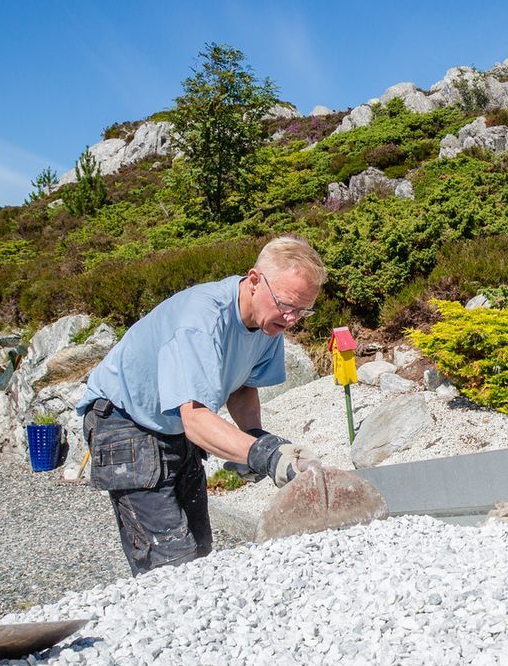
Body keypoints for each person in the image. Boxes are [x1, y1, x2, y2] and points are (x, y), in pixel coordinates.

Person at [76, 236, 324, 573]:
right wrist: (263, 454)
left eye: (302, 310)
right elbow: (195, 419)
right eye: (286, 304)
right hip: (124, 420)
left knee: (200, 548)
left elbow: (242, 388)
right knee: (171, 561)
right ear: (254, 281)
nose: (292, 317)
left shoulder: (270, 325)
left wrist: (253, 436)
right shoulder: (202, 320)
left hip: (171, 423)